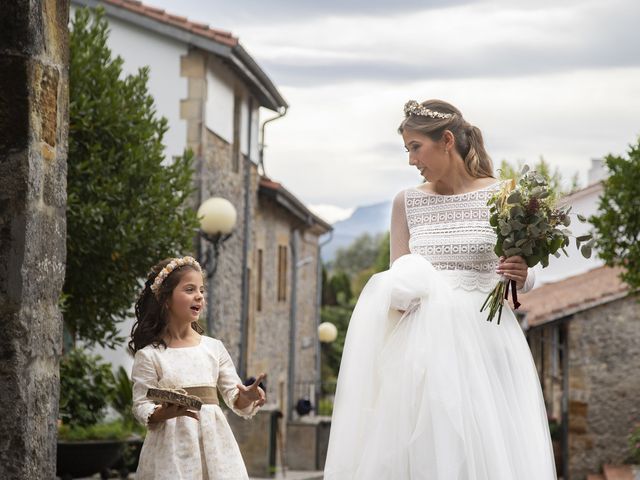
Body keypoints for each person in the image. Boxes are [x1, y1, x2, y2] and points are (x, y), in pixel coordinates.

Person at [324, 100, 556, 479]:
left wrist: (523, 273)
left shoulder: (505, 196)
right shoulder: (406, 203)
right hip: (419, 353)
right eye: (407, 149)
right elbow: (397, 277)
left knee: (487, 450)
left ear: (446, 140)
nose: (412, 160)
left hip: (486, 345)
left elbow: (524, 277)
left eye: (416, 147)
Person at [129, 256, 266, 479]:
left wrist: (248, 396)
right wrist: (163, 412)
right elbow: (141, 404)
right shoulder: (150, 355)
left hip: (216, 450)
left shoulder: (214, 348)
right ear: (166, 299)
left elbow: (234, 396)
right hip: (170, 451)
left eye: (201, 290)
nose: (199, 296)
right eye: (190, 289)